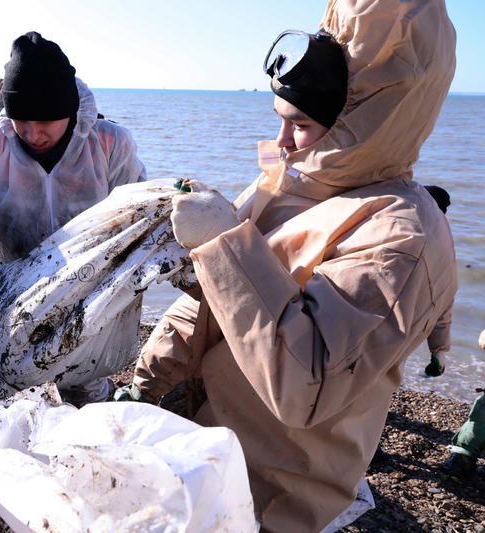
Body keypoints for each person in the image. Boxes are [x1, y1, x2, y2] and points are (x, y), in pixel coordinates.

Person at [117, 1, 456, 531]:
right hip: (212, 445)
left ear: (359, 122)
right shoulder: (286, 180)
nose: (279, 143)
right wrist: (150, 375)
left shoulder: (403, 235)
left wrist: (225, 241)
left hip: (281, 493)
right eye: (278, 119)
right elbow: (210, 301)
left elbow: (305, 388)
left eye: (299, 124)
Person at [0, 31, 146, 402]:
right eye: (21, 120)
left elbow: (139, 210)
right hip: (14, 282)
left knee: (85, 371)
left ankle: (93, 399)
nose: (32, 134)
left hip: (90, 283)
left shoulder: (110, 143)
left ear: (70, 109)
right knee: (19, 377)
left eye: (46, 120)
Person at [423, 184, 453, 377]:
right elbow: (444, 295)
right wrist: (439, 350)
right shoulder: (441, 242)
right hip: (402, 328)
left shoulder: (387, 223)